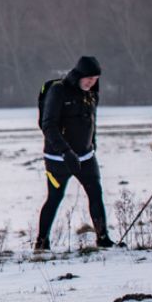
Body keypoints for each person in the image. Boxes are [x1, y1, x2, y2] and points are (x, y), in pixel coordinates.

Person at [38, 55, 112, 251]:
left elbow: (91, 122)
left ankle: (103, 238)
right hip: (58, 158)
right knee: (54, 198)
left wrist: (91, 144)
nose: (91, 82)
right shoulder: (58, 91)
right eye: (88, 78)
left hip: (86, 156)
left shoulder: (91, 93)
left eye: (95, 79)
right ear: (78, 75)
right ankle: (41, 242)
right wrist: (65, 151)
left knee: (96, 193)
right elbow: (48, 125)